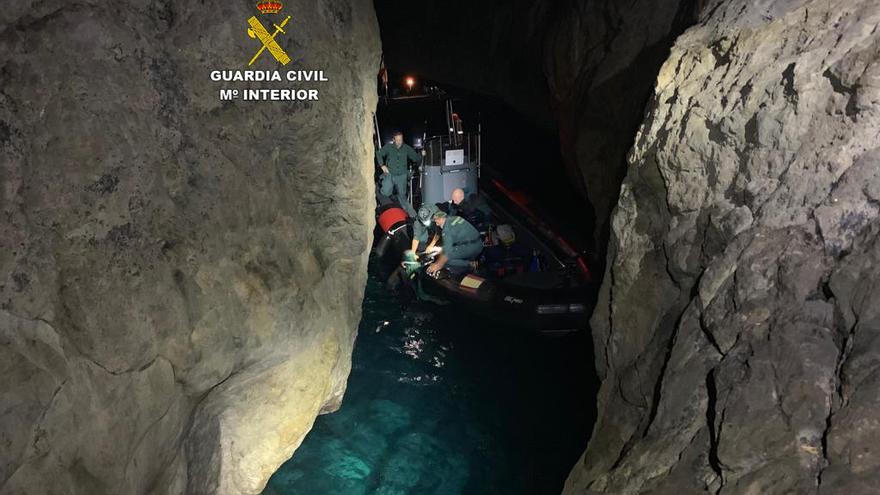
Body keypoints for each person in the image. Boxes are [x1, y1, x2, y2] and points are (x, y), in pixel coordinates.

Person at [376, 130, 422, 217]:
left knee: (402, 198)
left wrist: (421, 154)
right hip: (390, 174)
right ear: (393, 140)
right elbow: (379, 153)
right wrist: (382, 165)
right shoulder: (388, 147)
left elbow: (416, 158)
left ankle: (413, 217)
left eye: (400, 140)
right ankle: (385, 210)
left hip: (402, 176)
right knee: (385, 192)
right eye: (397, 140)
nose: (399, 142)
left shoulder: (406, 148)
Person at [426, 211, 483, 275]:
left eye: (437, 221)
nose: (437, 224)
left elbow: (447, 253)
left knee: (446, 260)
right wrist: (440, 248)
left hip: (471, 247)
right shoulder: (455, 217)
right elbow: (454, 239)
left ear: (441, 218)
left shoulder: (447, 229)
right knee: (448, 251)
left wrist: (436, 265)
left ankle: (471, 264)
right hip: (479, 243)